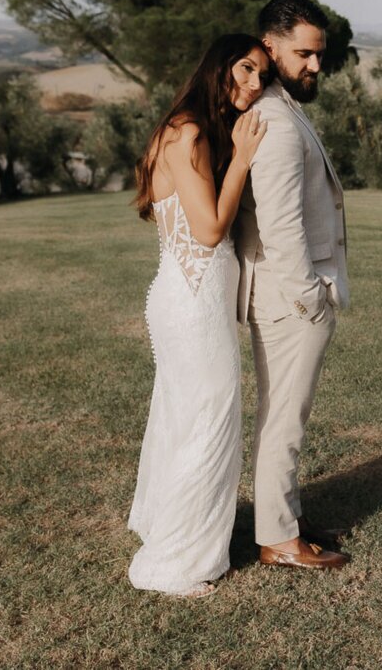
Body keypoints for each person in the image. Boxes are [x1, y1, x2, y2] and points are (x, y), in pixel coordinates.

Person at [127, 34, 271, 597]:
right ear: (219, 67)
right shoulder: (187, 133)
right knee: (210, 418)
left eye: (262, 75)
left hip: (192, 298)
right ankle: (170, 560)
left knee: (187, 415)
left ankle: (174, 527)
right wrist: (245, 158)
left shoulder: (189, 131)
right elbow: (210, 231)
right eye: (246, 69)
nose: (254, 84)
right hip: (191, 298)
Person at [234, 0, 351, 570]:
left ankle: (286, 518)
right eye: (304, 54)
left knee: (287, 415)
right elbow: (280, 224)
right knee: (284, 417)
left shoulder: (283, 108)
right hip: (289, 300)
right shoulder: (275, 123)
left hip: (288, 295)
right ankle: (279, 539)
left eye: (319, 55)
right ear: (270, 47)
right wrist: (311, 298)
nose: (315, 66)